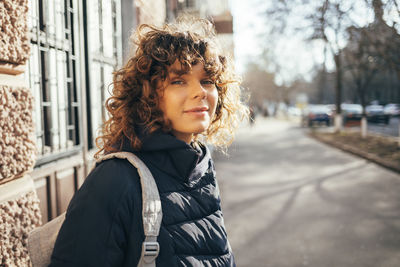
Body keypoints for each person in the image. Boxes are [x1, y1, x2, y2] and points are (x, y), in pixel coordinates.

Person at [49, 17, 248, 267]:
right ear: (148, 95)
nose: (200, 92)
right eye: (179, 80)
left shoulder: (200, 166)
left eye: (207, 80)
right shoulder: (114, 180)